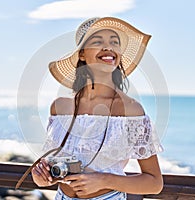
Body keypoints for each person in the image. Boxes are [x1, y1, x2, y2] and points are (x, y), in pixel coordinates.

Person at [31, 17, 164, 200]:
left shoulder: (131, 111)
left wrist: (104, 180)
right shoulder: (59, 107)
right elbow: (55, 164)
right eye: (98, 41)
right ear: (82, 54)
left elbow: (154, 183)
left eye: (114, 42)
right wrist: (42, 176)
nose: (108, 47)